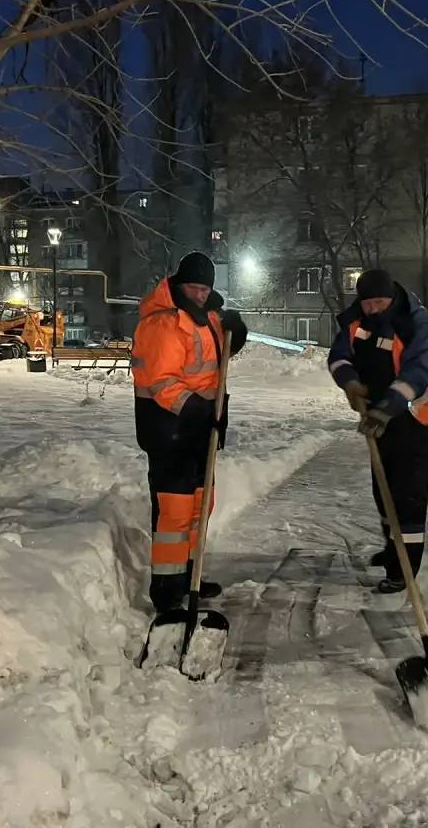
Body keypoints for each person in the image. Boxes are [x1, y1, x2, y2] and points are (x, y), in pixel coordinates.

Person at [132, 252, 248, 612]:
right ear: (179, 285)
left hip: (200, 430)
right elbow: (161, 382)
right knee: (175, 512)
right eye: (194, 288)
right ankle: (167, 591)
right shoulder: (162, 323)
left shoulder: (206, 317)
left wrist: (235, 333)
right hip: (170, 430)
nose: (199, 294)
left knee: (201, 506)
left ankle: (189, 577)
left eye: (205, 289)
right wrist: (198, 410)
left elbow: (215, 360)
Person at [328, 268, 428, 593]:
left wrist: (387, 408)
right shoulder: (355, 321)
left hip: (415, 419)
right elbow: (339, 356)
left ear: (391, 298)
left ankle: (404, 567)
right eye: (369, 303)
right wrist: (349, 381)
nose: (374, 309)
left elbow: (417, 372)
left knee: (407, 495)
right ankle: (392, 550)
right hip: (379, 418)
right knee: (384, 489)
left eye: (380, 302)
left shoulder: (416, 323)